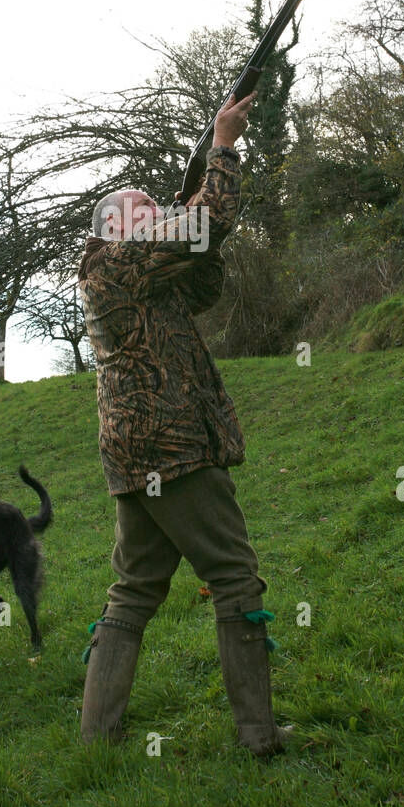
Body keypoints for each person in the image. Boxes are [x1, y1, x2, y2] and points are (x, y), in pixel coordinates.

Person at [77, 92, 291, 756]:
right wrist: (222, 146)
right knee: (234, 576)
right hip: (172, 447)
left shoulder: (134, 269)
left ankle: (98, 741)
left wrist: (190, 211)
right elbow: (208, 224)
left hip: (136, 450)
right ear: (114, 225)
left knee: (135, 588)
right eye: (142, 206)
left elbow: (203, 284)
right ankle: (258, 735)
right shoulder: (119, 257)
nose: (155, 210)